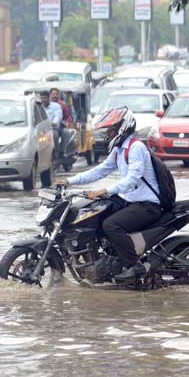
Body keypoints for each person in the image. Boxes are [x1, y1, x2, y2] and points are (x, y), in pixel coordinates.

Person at [54, 108, 163, 280]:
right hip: (129, 200)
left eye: (110, 130)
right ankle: (108, 260)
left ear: (122, 128)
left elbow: (133, 178)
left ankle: (134, 266)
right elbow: (100, 171)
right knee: (95, 216)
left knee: (110, 225)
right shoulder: (119, 150)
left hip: (148, 205)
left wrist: (105, 190)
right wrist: (69, 181)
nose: (108, 134)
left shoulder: (136, 148)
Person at [40, 90, 64, 158]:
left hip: (53, 128)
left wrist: (54, 122)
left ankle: (56, 154)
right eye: (42, 98)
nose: (43, 100)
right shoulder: (39, 107)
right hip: (42, 129)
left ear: (48, 98)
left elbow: (58, 116)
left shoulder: (56, 106)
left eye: (45, 98)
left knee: (54, 135)